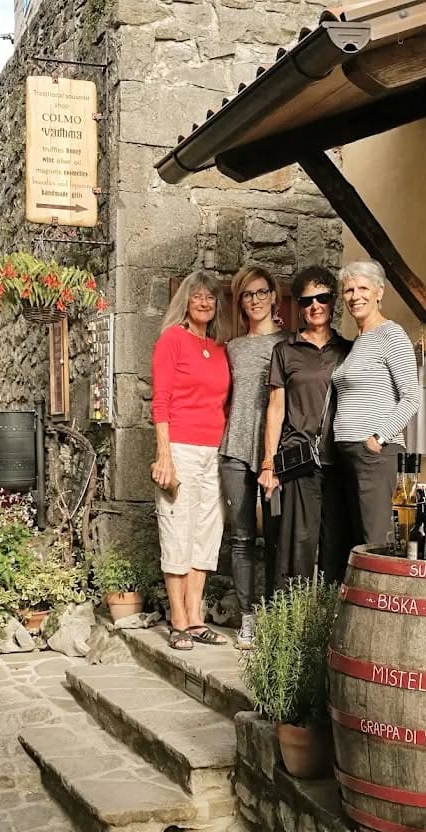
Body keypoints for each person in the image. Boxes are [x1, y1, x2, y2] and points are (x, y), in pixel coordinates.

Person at [151, 271, 231, 651]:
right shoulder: (172, 340)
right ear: (185, 301)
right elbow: (161, 402)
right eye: (197, 297)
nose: (203, 303)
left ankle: (196, 616)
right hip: (180, 448)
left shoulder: (219, 347)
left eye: (210, 298)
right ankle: (178, 619)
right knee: (177, 528)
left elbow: (223, 403)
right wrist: (164, 454)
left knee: (206, 532)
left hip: (213, 450)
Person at [258, 266, 353, 586]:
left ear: (333, 301)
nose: (315, 306)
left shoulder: (348, 350)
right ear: (298, 306)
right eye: (306, 300)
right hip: (299, 459)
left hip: (340, 459)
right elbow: (275, 409)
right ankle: (294, 622)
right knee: (297, 546)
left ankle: (329, 619)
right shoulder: (285, 351)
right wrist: (269, 463)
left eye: (322, 297)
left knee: (336, 546)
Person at [219, 264, 289, 650]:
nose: (256, 300)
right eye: (248, 294)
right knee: (242, 537)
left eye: (262, 292)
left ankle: (277, 613)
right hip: (234, 448)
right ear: (240, 302)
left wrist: (275, 455)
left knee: (278, 535)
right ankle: (248, 618)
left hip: (275, 453)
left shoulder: (289, 343)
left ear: (274, 296)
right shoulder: (232, 347)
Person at [332, 259, 420, 547]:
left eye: (363, 288)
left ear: (379, 292)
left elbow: (412, 396)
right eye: (348, 290)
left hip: (374, 455)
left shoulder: (390, 335)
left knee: (376, 539)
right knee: (356, 540)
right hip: (349, 454)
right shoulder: (360, 340)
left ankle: (383, 594)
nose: (355, 296)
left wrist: (378, 439)